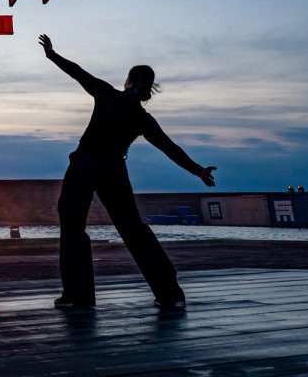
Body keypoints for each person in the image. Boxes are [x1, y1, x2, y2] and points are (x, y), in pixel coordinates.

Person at [39, 34, 216, 313]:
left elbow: (78, 73)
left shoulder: (107, 95)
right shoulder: (142, 118)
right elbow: (170, 148)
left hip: (85, 164)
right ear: (149, 88)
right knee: (133, 229)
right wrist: (198, 171)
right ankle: (170, 293)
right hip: (113, 169)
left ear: (128, 80)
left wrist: (51, 53)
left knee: (73, 227)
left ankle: (78, 295)